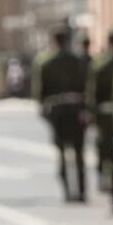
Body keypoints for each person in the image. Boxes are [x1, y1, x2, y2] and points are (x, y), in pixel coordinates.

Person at [30, 26, 90, 204]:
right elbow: (87, 85)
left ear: (54, 41)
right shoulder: (77, 61)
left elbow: (39, 91)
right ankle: (81, 191)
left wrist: (44, 111)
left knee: (62, 152)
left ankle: (66, 192)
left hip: (57, 111)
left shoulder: (45, 62)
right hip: (76, 109)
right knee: (79, 153)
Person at [91, 33, 113, 212]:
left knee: (109, 158)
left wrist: (93, 116)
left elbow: (92, 93)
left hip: (105, 117)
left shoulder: (100, 65)